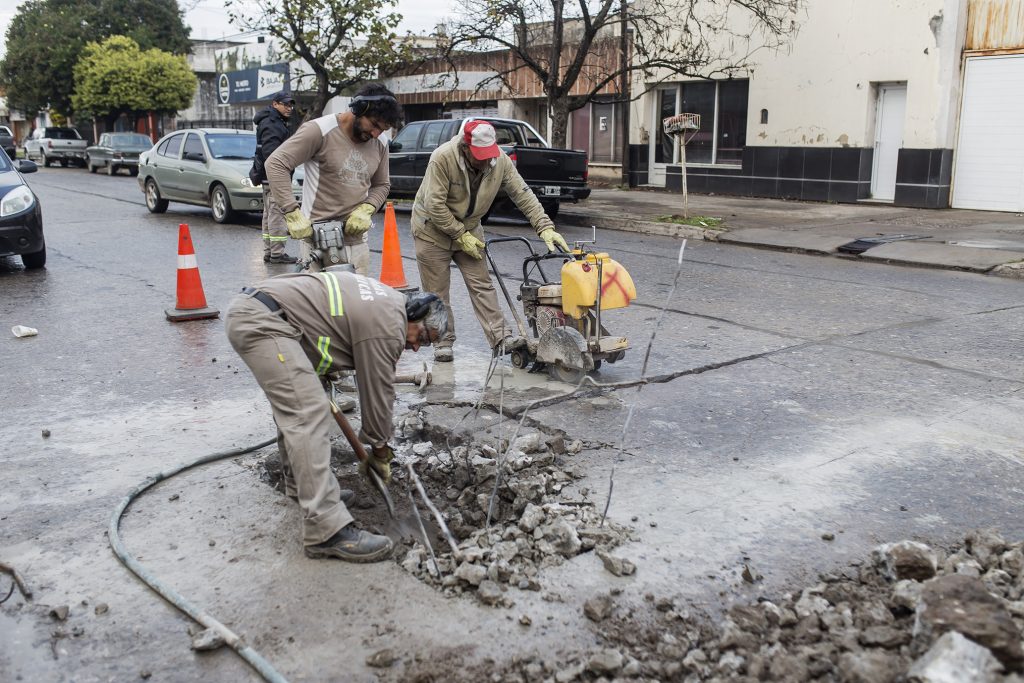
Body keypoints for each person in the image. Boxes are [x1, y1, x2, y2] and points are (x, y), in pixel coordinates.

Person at [225, 269, 449, 562]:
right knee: (308, 411)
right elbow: (377, 393)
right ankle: (326, 529)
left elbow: (328, 327)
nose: (417, 346)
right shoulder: (389, 325)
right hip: (264, 323)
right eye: (423, 336)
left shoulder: (385, 302)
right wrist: (380, 451)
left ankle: (302, 488)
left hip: (265, 314)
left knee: (302, 401)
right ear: (414, 315)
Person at [410, 119, 570, 362]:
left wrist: (544, 226)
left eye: (488, 155)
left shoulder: (499, 161)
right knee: (437, 292)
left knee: (482, 284)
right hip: (432, 230)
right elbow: (434, 204)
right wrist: (458, 234)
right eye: (479, 156)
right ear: (465, 148)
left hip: (471, 228)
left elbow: (522, 192)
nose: (485, 161)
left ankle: (500, 338)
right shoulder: (442, 158)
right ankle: (442, 342)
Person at [265, 83, 403, 275]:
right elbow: (276, 163)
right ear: (358, 109)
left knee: (356, 302)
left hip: (357, 241)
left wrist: (368, 207)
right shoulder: (319, 131)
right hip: (317, 240)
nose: (375, 133)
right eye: (374, 125)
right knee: (319, 303)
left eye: (383, 129)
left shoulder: (379, 142)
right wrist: (291, 211)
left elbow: (382, 184)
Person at [252, 91, 298, 264]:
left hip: (267, 175)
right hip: (275, 175)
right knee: (277, 214)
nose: (289, 108)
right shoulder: (272, 123)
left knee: (269, 213)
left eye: (290, 105)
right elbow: (271, 153)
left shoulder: (273, 120)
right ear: (275, 104)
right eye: (285, 104)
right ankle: (277, 254)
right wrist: (281, 172)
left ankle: (269, 251)